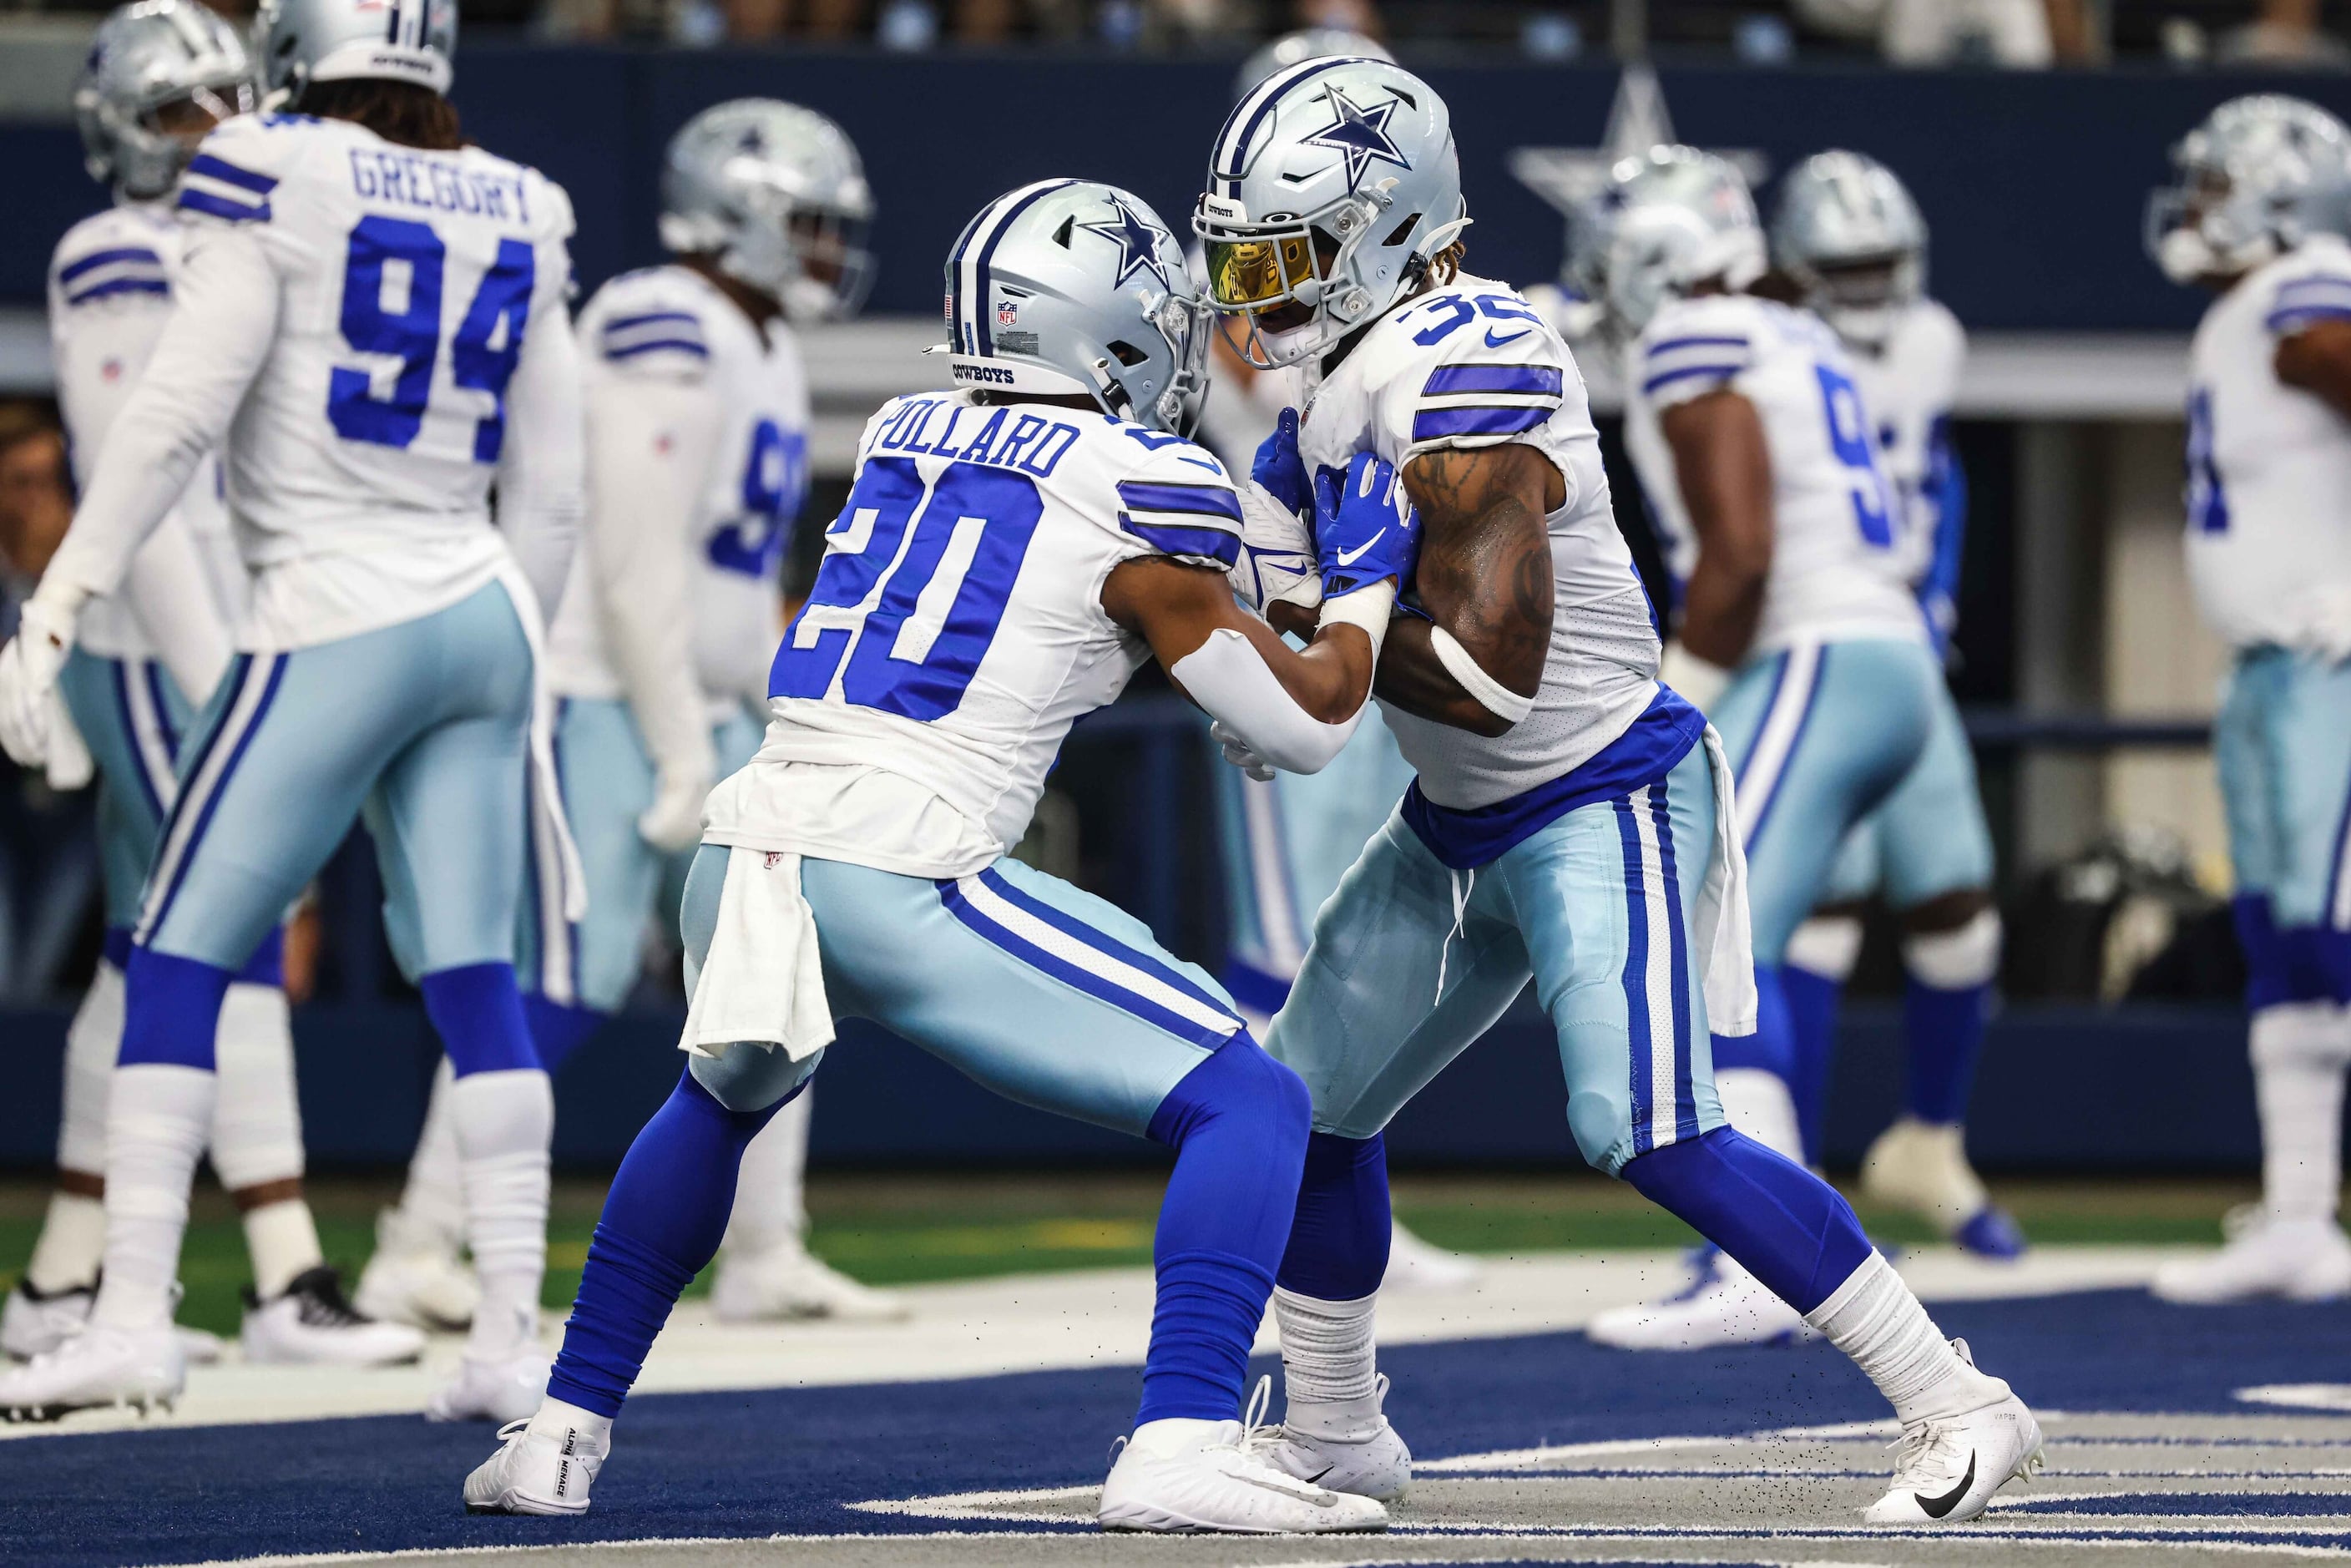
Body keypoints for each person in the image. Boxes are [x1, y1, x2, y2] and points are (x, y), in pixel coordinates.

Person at [462, 178, 1403, 1535]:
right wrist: (1361, 586)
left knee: (716, 1106)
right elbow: (1311, 725)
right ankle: (1182, 1433)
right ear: (1108, 331)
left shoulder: (909, 429)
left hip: (753, 838)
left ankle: (556, 1434)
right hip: (900, 867)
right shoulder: (1145, 481)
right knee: (1250, 1098)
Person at [1193, 62, 2039, 1525]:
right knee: (1299, 1102)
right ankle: (1336, 1429)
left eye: (1289, 254)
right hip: (1459, 816)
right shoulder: (1318, 405)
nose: (1255, 292)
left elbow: (1485, 666)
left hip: (1596, 787)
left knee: (1644, 1123)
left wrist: (1310, 654)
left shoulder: (1470, 354)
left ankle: (1957, 1401)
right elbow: (1303, 674)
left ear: (1390, 234)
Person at [0, 0, 584, 1424]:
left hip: (329, 603)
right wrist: (529, 657)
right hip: (484, 608)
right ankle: (509, 1337)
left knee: (183, 950)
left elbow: (178, 410)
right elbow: (555, 482)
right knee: (475, 981)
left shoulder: (269, 165)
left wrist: (58, 592)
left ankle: (132, 1314)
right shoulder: (527, 199)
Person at [356, 99, 903, 1333]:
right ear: (735, 216)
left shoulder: (754, 338)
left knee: (779, 964)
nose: (824, 249)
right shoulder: (663, 320)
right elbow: (633, 556)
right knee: (566, 976)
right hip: (600, 697)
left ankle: (765, 1247)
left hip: (698, 706)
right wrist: (673, 745)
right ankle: (413, 1246)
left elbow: (720, 569)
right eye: (806, 223)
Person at [3, 0, 423, 1373]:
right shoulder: (116, 250)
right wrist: (230, 682)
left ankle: (63, 1273)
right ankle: (284, 1268)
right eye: (183, 112)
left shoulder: (247, 241)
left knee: (150, 948)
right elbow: (151, 479)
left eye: (228, 103)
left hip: (234, 632)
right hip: (160, 644)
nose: (213, 134)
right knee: (231, 932)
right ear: (124, 131)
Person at [1201, 23, 1476, 1294]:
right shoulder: (1234, 295)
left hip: (1379, 627)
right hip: (1285, 616)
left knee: (1353, 931)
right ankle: (1258, 1198)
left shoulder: (1401, 293)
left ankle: (1327, 1179)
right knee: (1283, 928)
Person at [1767, 149, 2024, 1259]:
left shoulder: (1934, 339)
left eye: (1881, 264)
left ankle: (1930, 1137)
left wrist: (1943, 595)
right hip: (1810, 646)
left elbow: (1941, 469)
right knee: (1811, 916)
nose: (1868, 287)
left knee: (1961, 907)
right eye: (1845, 266)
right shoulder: (1778, 351)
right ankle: (1792, 1181)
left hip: (1900, 642)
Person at [2146, 95, 2351, 1305]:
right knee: (2282, 940)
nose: (2201, 206)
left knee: (2335, 931)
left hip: (2330, 666)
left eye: (2220, 183)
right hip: (2275, 666)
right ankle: (2295, 1211)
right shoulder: (2248, 305)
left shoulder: (2304, 285)